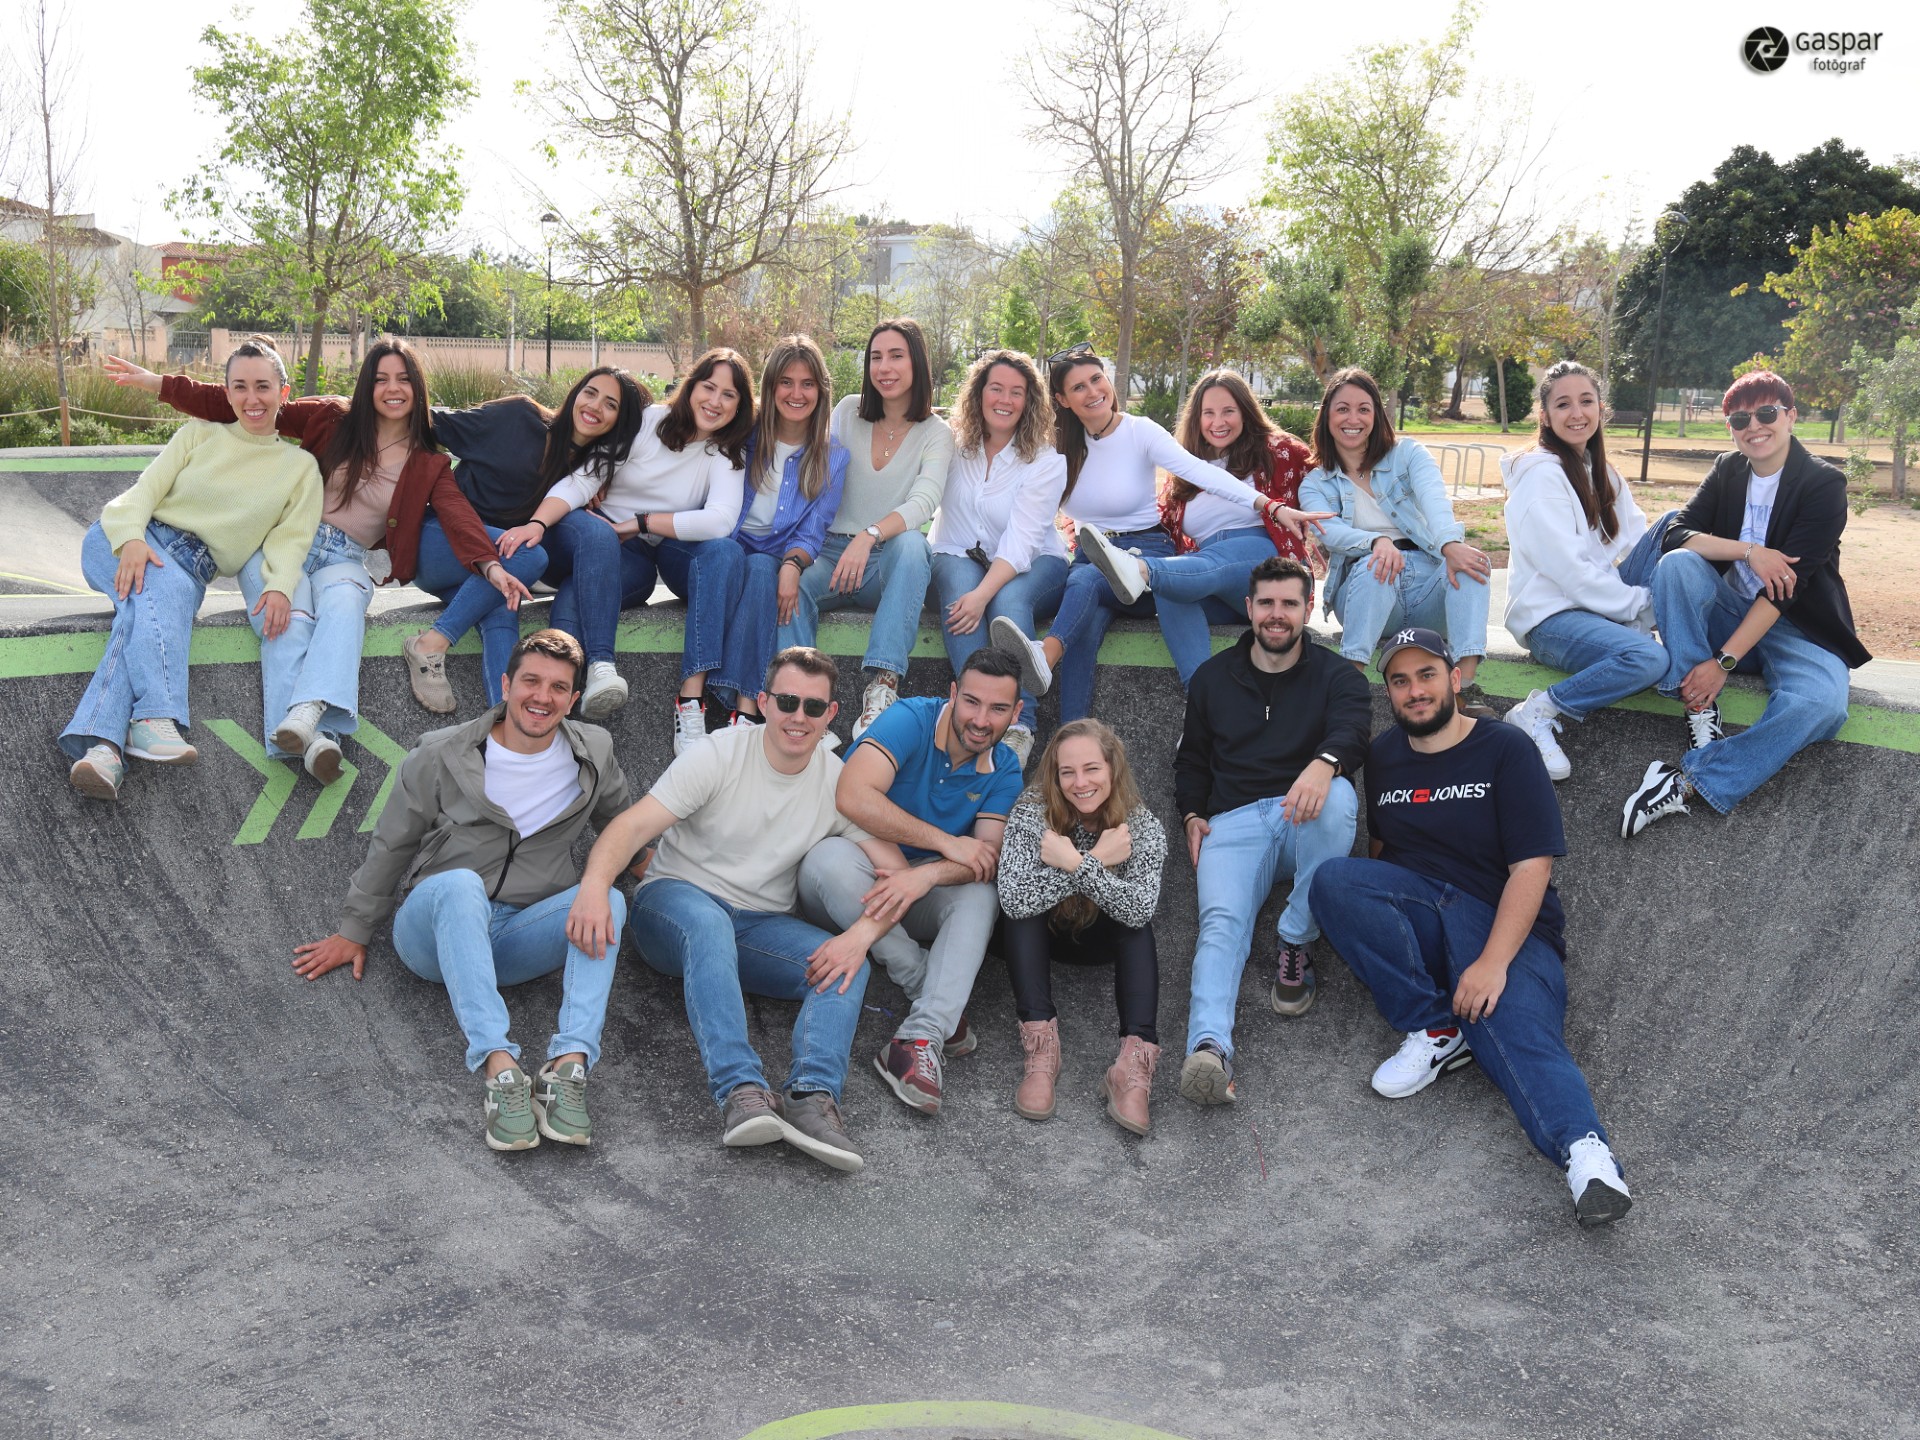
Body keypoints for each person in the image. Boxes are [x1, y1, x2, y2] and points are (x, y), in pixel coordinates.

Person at [1309, 627, 1632, 1226]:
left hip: (1506, 927)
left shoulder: (1506, 749)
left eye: (1427, 675)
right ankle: (1436, 1026)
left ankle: (1587, 1156)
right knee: (1335, 881)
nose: (1415, 690)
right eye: (1400, 681)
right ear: (1389, 692)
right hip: (1430, 913)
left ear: (1455, 678)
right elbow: (1382, 856)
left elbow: (1532, 867)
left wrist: (1491, 963)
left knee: (1516, 1029)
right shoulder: (1384, 756)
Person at [289, 629, 635, 1152]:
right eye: (531, 681)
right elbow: (393, 842)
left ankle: (568, 1066)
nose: (542, 697)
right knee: (460, 883)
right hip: (435, 929)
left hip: (519, 935)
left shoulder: (594, 750)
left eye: (559, 688)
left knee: (607, 898)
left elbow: (623, 826)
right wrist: (353, 930)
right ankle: (500, 1070)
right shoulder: (443, 752)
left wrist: (654, 874)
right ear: (506, 684)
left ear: (573, 698)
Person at [112, 351, 605, 713]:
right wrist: (160, 383)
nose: (393, 388)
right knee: (289, 625)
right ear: (368, 385)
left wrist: (493, 566)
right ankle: (308, 718)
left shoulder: (431, 457)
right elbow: (251, 405)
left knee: (502, 601)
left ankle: (505, 721)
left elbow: (457, 511)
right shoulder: (334, 417)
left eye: (404, 379)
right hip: (304, 542)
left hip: (371, 555)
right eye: (382, 379)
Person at [567, 646, 905, 1173]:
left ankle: (811, 1098)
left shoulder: (837, 782)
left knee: (846, 962)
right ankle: (741, 1092)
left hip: (758, 926)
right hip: (674, 901)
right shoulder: (718, 754)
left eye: (814, 707)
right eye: (787, 702)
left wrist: (859, 937)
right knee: (708, 924)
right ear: (764, 702)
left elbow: (896, 873)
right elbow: (631, 826)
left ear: (831, 715)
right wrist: (594, 886)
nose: (798, 717)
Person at [988, 345, 1318, 722]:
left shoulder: (1139, 431)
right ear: (1062, 399)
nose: (1093, 391)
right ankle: (1071, 734)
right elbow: (1025, 506)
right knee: (1084, 615)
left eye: (1097, 379)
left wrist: (1268, 505)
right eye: (1078, 387)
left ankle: (1048, 654)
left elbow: (1202, 472)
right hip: (1092, 557)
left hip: (1145, 549)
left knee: (1085, 580)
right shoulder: (1058, 449)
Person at [64, 338, 322, 800]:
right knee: (158, 593)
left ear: (283, 393)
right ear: (227, 392)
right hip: (123, 540)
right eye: (239, 386)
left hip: (187, 570)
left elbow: (292, 538)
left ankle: (103, 750)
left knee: (137, 614)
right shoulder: (200, 433)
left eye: (263, 386)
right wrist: (132, 539)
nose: (251, 398)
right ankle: (154, 717)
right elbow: (142, 493)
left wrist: (281, 586)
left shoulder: (300, 468)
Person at [1620, 370, 1870, 837]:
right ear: (1730, 429)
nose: (1754, 426)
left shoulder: (1823, 483)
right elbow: (1676, 533)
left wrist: (1723, 663)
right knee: (1677, 565)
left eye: (1766, 413)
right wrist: (1750, 551)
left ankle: (1687, 781)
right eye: (1740, 419)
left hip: (1798, 627)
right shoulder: (1728, 469)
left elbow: (1786, 589)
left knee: (1823, 706)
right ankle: (1700, 710)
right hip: (1730, 611)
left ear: (1790, 416)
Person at [1172, 556, 1371, 1106]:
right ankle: (1209, 1049)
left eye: (1289, 603)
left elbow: (1354, 731)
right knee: (1220, 926)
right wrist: (1191, 814)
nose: (1276, 614)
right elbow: (1191, 761)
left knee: (1338, 794)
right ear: (1249, 608)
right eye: (1266, 603)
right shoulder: (1212, 678)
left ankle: (1296, 939)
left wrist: (1324, 763)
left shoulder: (1337, 676)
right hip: (1233, 822)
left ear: (1308, 608)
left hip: (1303, 815)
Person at [795, 648, 1026, 1117]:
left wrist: (925, 874)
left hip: (917, 894)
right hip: (848, 886)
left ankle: (919, 1037)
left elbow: (985, 858)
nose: (981, 720)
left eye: (998, 708)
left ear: (1016, 713)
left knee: (980, 894)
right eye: (972, 702)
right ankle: (922, 981)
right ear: (953, 693)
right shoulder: (910, 718)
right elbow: (852, 796)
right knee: (827, 859)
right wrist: (945, 844)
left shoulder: (1004, 767)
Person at [498, 349, 753, 750]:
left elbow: (720, 521)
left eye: (729, 395)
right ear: (691, 387)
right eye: (708, 387)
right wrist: (538, 523)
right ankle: (559, 697)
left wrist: (640, 523)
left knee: (726, 552)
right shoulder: (648, 422)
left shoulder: (725, 453)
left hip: (655, 550)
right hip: (600, 536)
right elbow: (585, 479)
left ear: (740, 406)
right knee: (583, 581)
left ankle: (690, 701)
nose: (715, 401)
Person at [1057, 369, 1321, 697]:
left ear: (1245, 412)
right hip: (1216, 584)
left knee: (1192, 567)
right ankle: (1203, 703)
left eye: (1228, 411)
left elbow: (1327, 484)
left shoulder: (1278, 450)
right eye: (1208, 413)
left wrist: (1322, 536)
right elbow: (1160, 529)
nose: (1218, 422)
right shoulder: (1184, 473)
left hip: (1263, 568)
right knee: (1171, 591)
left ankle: (1141, 570)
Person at [778, 319, 953, 739]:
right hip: (831, 557)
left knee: (913, 546)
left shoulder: (937, 433)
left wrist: (870, 535)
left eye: (896, 356)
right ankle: (804, 702)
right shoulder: (846, 412)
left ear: (917, 363)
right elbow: (817, 474)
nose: (884, 367)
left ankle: (882, 688)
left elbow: (923, 502)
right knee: (790, 585)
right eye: (876, 357)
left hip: (885, 561)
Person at [1500, 360, 1670, 780]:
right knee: (1648, 658)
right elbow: (1571, 573)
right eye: (1563, 404)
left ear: (1600, 408)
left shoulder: (1603, 472)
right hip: (1551, 620)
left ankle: (1691, 648)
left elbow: (1637, 542)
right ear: (1545, 416)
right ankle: (1539, 711)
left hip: (1592, 610)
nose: (1576, 413)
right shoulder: (1540, 478)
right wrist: (1639, 604)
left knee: (1673, 526)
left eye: (1586, 401)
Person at [997, 719, 1167, 1135]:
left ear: (1112, 768)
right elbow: (1013, 898)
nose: (1080, 783)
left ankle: (1132, 1067)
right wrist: (1093, 863)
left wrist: (1075, 863)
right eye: (1067, 772)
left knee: (1136, 924)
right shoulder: (1031, 810)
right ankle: (1042, 1052)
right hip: (1042, 936)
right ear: (1054, 775)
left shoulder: (1141, 825)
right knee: (1020, 913)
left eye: (1092, 769)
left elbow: (1141, 908)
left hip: (1101, 940)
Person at [1298, 367, 1494, 712]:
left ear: (1377, 414)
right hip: (1366, 591)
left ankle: (1465, 688)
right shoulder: (1316, 483)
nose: (1353, 419)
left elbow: (1434, 499)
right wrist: (1376, 542)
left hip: (1427, 590)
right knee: (1376, 565)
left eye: (1363, 409)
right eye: (1342, 409)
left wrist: (1450, 544)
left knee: (1472, 562)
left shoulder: (1408, 455)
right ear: (1327, 416)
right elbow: (1331, 531)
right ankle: (1350, 687)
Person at [927, 349, 1069, 767]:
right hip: (959, 554)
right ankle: (973, 718)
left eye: (1016, 392)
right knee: (957, 586)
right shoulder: (953, 447)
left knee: (1005, 602)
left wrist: (982, 595)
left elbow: (1021, 544)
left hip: (1036, 564)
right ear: (978, 394)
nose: (1005, 399)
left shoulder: (1044, 462)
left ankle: (1020, 725)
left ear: (1029, 401)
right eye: (996, 389)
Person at [704, 336, 849, 730]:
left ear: (821, 390)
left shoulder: (833, 457)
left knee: (762, 570)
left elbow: (813, 530)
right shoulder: (743, 434)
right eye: (786, 382)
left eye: (807, 384)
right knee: (750, 566)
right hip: (724, 549)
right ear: (770, 387)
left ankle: (743, 711)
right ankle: (744, 709)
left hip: (773, 557)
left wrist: (792, 564)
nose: (796, 394)